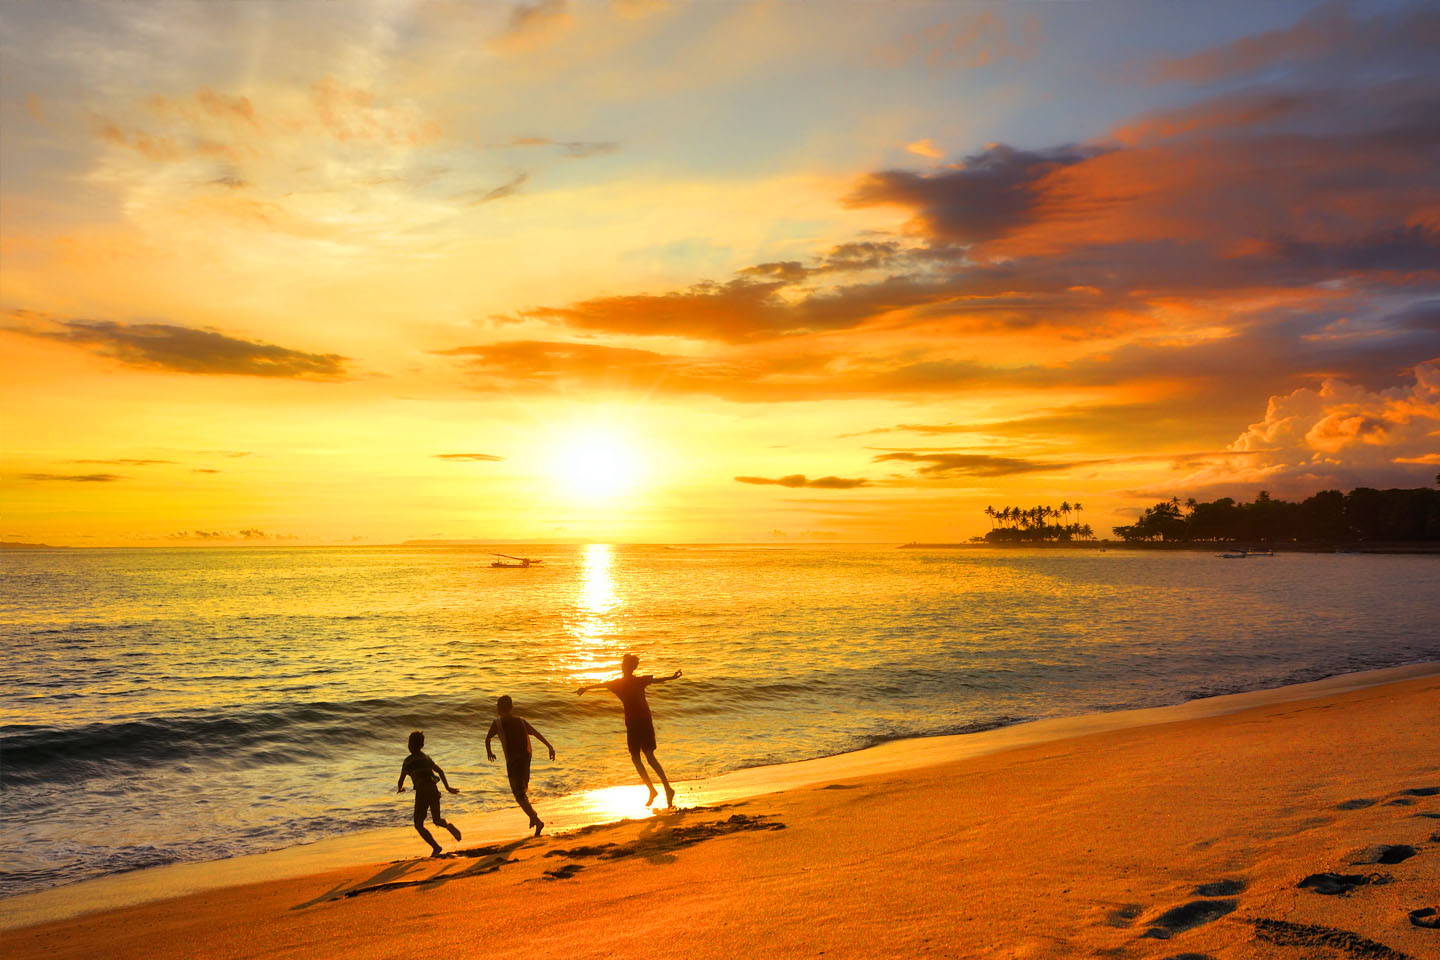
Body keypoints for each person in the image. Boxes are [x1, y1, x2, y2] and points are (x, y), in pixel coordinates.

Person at [577, 654, 681, 808]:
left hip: (644, 721)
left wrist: (672, 678)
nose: (623, 666)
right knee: (635, 758)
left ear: (632, 667)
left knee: (649, 755)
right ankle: (652, 790)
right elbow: (602, 684)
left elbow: (656, 680)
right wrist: (586, 688)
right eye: (623, 664)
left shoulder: (638, 681)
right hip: (631, 724)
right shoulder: (617, 684)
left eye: (626, 664)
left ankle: (667, 788)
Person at [485, 695, 556, 837]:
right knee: (522, 790)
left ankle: (535, 819)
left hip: (513, 761)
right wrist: (549, 747)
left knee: (518, 794)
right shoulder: (521, 721)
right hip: (525, 758)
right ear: (511, 708)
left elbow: (487, 739)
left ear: (499, 709)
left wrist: (490, 752)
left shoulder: (497, 723)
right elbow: (536, 733)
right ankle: (533, 817)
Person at [395, 730, 462, 857]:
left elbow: (401, 779)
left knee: (418, 824)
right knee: (437, 819)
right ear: (422, 745)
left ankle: (436, 847)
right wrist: (448, 787)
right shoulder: (426, 758)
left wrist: (400, 788)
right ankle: (450, 826)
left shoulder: (408, 761)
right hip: (433, 790)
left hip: (422, 792)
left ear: (409, 746)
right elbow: (440, 771)